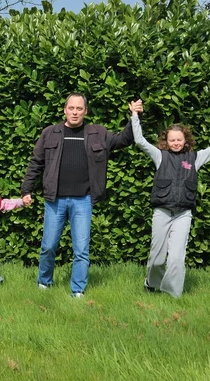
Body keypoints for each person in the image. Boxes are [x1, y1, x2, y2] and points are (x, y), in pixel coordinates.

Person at [130, 102, 210, 298]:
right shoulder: (159, 156)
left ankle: (173, 296)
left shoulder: (195, 158)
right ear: (166, 141)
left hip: (183, 214)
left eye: (179, 139)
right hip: (162, 213)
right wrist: (134, 116)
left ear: (185, 140)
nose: (175, 143)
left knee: (176, 259)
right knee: (156, 258)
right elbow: (139, 141)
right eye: (172, 140)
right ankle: (151, 282)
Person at [21, 93, 138, 297]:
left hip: (83, 201)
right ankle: (44, 282)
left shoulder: (97, 133)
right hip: (55, 200)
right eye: (71, 108)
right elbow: (36, 162)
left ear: (85, 111)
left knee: (81, 250)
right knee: (48, 246)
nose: (75, 112)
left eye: (79, 109)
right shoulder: (50, 133)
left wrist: (134, 117)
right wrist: (26, 189)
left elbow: (123, 140)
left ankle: (78, 291)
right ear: (65, 110)